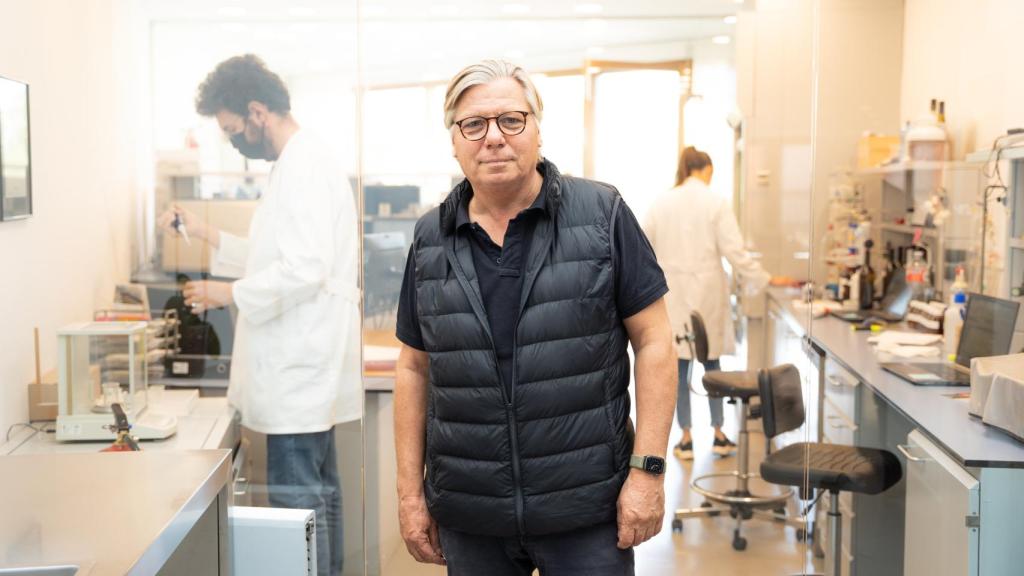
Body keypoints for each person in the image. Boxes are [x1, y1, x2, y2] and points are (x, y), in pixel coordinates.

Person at [393, 59, 677, 576]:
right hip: (472, 513)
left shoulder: (602, 214)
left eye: (511, 120)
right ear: (454, 141)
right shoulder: (430, 237)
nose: (493, 138)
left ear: (538, 128)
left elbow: (656, 341)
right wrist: (410, 495)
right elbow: (413, 367)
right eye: (473, 125)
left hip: (586, 511)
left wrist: (648, 473)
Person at [157, 54, 360, 576]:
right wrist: (203, 233)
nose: (233, 143)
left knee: (302, 507)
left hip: (298, 371)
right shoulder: (295, 164)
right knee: (319, 501)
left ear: (256, 112)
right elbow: (271, 257)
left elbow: (305, 268)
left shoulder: (304, 165)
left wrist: (228, 294)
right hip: (302, 372)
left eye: (231, 131)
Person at [642, 147, 770, 460]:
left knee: (679, 368)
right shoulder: (716, 202)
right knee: (712, 365)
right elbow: (735, 252)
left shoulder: (662, 202)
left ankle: (684, 438)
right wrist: (764, 278)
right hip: (708, 296)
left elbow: (643, 245)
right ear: (707, 170)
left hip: (672, 294)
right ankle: (718, 433)